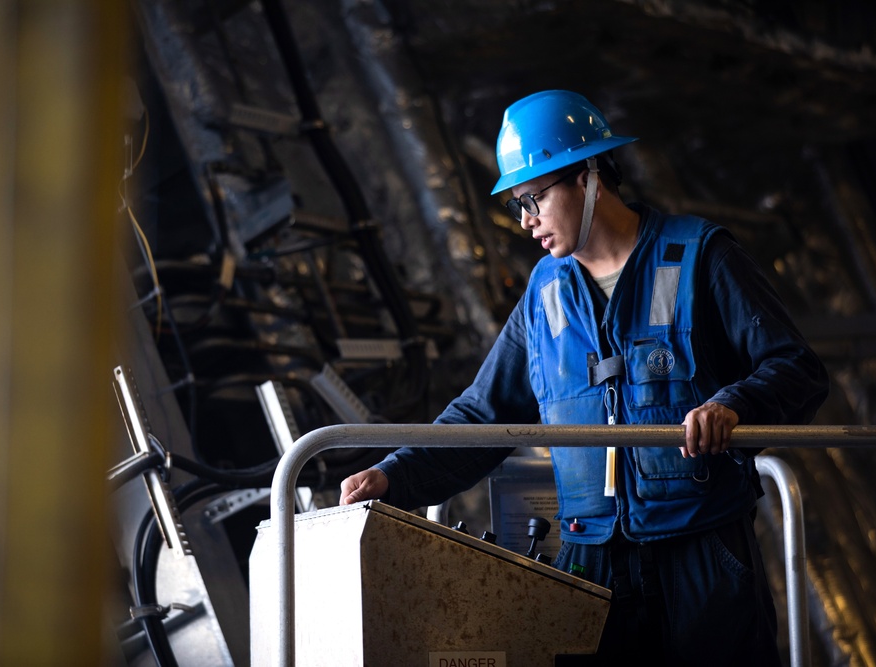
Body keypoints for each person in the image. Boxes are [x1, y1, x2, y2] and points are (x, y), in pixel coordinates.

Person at [338, 89, 829, 665]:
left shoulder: (700, 255)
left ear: (589, 176)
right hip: (591, 562)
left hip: (701, 547)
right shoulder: (545, 294)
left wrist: (736, 405)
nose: (526, 221)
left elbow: (796, 366)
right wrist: (392, 476)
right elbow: (482, 414)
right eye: (517, 205)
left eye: (534, 198)